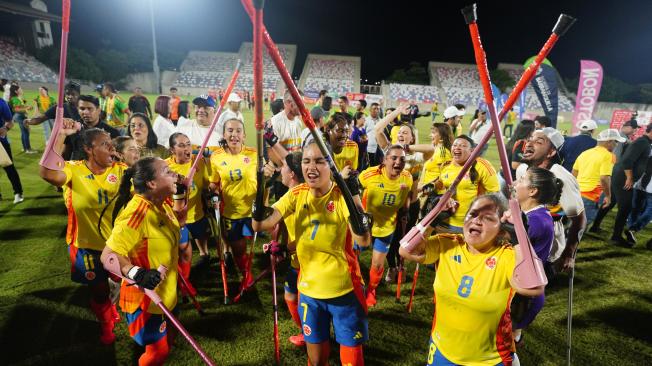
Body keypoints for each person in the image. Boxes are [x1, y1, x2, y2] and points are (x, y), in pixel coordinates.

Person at [252, 140, 371, 366]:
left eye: (319, 161)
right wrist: (262, 187)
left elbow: (363, 240)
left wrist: (353, 193)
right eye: (306, 161)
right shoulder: (297, 194)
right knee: (316, 362)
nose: (311, 167)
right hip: (309, 292)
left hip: (344, 291)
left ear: (331, 165)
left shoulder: (340, 196)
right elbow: (260, 224)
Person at [399, 194, 544, 366]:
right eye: (473, 214)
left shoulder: (507, 255)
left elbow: (533, 288)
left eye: (488, 218)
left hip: (490, 359)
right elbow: (406, 250)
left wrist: (519, 236)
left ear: (503, 229)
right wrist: (432, 218)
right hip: (441, 351)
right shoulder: (447, 244)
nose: (477, 221)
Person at [39, 125, 128, 345]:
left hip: (118, 245)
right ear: (89, 149)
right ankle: (106, 324)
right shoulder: (74, 170)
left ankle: (111, 307)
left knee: (124, 284)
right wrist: (59, 135)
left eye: (111, 143)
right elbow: (47, 173)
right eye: (105, 144)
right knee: (99, 291)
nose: (111, 147)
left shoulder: (120, 169)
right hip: (86, 246)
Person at [100, 156, 185, 365]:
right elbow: (108, 256)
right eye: (166, 171)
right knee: (157, 353)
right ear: (152, 183)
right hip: (146, 300)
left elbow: (178, 222)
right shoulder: (136, 213)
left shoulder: (160, 203)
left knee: (167, 344)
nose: (173, 172)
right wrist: (137, 273)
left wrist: (181, 193)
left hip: (167, 291)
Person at [517, 128, 586, 275]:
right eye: (530, 139)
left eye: (538, 141)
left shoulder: (560, 176)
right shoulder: (522, 170)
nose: (529, 143)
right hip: (520, 235)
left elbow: (579, 219)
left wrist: (569, 253)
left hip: (548, 243)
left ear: (551, 152)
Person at [511, 167, 563, 347]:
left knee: (503, 345)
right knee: (510, 339)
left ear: (533, 191)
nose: (515, 184)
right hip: (523, 289)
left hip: (522, 295)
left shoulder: (534, 221)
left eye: (522, 180)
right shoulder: (535, 215)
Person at [359, 145, 414, 307]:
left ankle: (371, 290)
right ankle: (354, 285)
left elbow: (406, 197)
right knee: (353, 258)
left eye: (402, 159)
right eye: (394, 158)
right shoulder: (369, 174)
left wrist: (405, 211)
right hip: (364, 227)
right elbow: (354, 190)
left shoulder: (407, 178)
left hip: (386, 227)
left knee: (377, 264)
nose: (398, 162)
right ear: (384, 160)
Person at [209, 118, 258, 289]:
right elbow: (214, 182)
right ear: (224, 134)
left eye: (238, 131)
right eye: (230, 130)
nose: (234, 134)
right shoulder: (216, 157)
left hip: (253, 211)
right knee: (239, 249)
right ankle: (246, 272)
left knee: (254, 246)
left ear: (244, 136)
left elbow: (264, 178)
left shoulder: (254, 154)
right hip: (232, 212)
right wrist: (213, 191)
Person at [166, 132, 211, 279]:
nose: (186, 148)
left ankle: (204, 254)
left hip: (197, 212)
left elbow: (205, 184)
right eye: (181, 145)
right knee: (184, 249)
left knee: (202, 235)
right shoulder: (165, 167)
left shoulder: (198, 161)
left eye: (188, 144)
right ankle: (184, 277)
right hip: (177, 218)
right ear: (172, 150)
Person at [436, 135, 500, 233]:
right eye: (455, 145)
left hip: (469, 224)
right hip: (443, 222)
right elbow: (440, 188)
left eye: (463, 146)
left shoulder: (482, 166)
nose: (457, 147)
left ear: (472, 150)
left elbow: (495, 194)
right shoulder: (446, 165)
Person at [589, 118, 640, 232]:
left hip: (612, 174)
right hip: (614, 175)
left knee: (610, 202)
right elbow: (615, 158)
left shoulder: (624, 139)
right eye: (634, 129)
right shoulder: (620, 139)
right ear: (627, 127)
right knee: (613, 202)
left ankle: (594, 226)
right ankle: (596, 227)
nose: (635, 131)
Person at [609, 123, 652, 247]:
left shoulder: (644, 142)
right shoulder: (642, 142)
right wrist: (629, 177)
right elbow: (627, 160)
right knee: (625, 208)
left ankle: (613, 234)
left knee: (621, 206)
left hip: (622, 177)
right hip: (623, 177)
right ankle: (616, 237)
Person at [571, 129, 622, 225]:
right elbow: (604, 178)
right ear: (609, 141)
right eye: (616, 141)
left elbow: (573, 173)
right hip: (591, 195)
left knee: (571, 223)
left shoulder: (585, 153)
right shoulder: (609, 156)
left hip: (577, 193)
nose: (617, 145)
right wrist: (608, 196)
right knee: (580, 226)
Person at [63, 95, 120, 161]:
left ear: (98, 110)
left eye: (90, 109)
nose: (86, 112)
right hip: (76, 169)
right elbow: (66, 153)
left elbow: (117, 157)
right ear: (78, 110)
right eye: (82, 109)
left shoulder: (112, 132)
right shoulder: (71, 129)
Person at [0, 97, 23, 203]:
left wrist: (6, 129)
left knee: (9, 168)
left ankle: (18, 193)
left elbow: (10, 121)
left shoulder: (1, 103)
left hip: (1, 143)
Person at [8, 84, 35, 153]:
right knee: (26, 132)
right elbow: (16, 109)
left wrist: (27, 107)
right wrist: (27, 108)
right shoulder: (15, 99)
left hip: (20, 116)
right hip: (20, 116)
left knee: (24, 132)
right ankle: (28, 149)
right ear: (16, 91)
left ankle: (25, 148)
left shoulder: (17, 98)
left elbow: (20, 107)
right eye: (20, 89)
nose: (21, 90)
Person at [365, 102, 382, 166]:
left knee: (378, 168)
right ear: (370, 110)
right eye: (374, 109)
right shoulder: (365, 120)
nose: (377, 110)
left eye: (378, 109)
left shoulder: (382, 121)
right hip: (368, 149)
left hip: (379, 150)